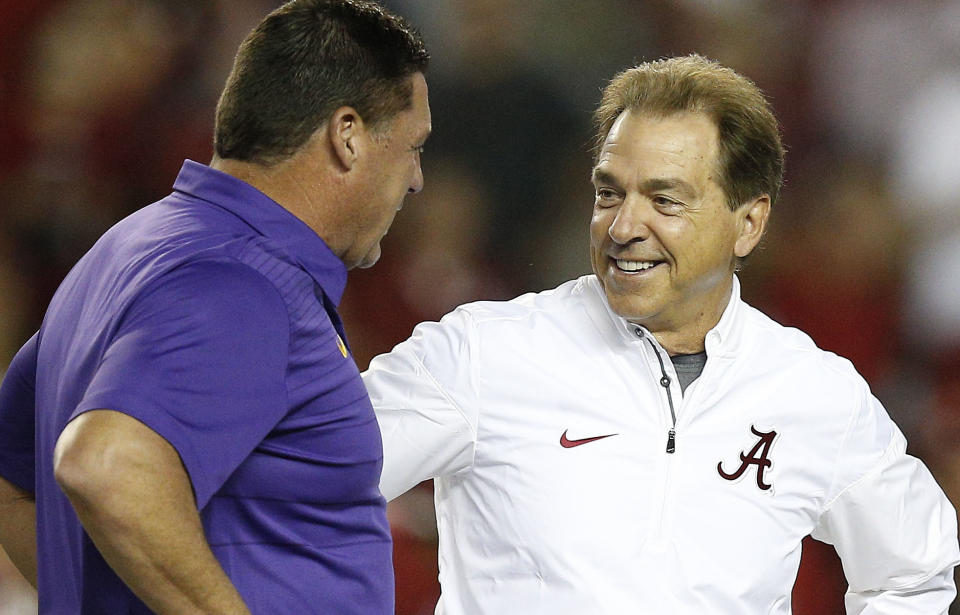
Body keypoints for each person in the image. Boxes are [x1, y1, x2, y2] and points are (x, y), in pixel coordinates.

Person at [362, 54, 959, 614]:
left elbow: (914, 572)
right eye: (609, 193)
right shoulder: (482, 354)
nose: (623, 227)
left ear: (748, 223)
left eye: (665, 201)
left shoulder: (814, 392)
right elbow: (296, 480)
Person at [0, 0, 430, 612]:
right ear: (348, 136)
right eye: (414, 147)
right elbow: (104, 463)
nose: (416, 179)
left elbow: (13, 481)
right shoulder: (244, 281)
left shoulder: (129, 248)